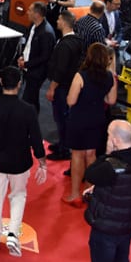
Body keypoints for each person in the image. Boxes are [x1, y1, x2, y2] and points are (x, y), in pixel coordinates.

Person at [0, 66, 48, 257]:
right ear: (19, 83)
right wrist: (42, 162)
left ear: (0, 83)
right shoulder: (28, 110)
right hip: (21, 162)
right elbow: (36, 140)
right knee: (18, 197)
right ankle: (12, 235)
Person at [83, 120, 131, 262]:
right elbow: (124, 185)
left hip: (107, 225)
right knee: (122, 259)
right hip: (130, 222)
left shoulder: (111, 166)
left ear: (115, 140)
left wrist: (108, 154)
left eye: (108, 136)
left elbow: (90, 173)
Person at [64, 43, 118, 207]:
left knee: (77, 154)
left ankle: (75, 194)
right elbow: (111, 100)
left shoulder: (81, 75)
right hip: (97, 119)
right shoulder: (110, 77)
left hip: (79, 118)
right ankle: (90, 190)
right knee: (91, 154)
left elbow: (71, 100)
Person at [45, 11, 85, 162]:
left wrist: (52, 88)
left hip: (62, 87)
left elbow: (60, 69)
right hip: (70, 85)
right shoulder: (77, 41)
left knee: (61, 118)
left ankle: (63, 149)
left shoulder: (65, 45)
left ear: (64, 22)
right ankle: (62, 144)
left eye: (59, 19)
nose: (57, 21)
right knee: (64, 117)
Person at [17, 1, 56, 114]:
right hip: (28, 67)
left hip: (37, 72)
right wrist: (22, 57)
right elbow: (28, 43)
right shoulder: (33, 25)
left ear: (37, 14)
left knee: (29, 98)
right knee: (31, 98)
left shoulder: (46, 33)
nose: (27, 12)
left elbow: (45, 57)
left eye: (30, 10)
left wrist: (26, 64)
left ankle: (29, 121)